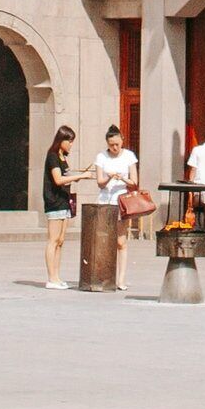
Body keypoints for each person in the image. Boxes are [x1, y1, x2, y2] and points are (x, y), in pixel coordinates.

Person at [82, 124, 139, 292]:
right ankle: (104, 275)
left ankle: (121, 278)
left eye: (117, 144)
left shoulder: (129, 156)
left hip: (121, 201)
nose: (114, 148)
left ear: (122, 141)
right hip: (105, 201)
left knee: (121, 241)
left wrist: (122, 178)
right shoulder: (101, 157)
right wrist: (108, 177)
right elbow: (99, 182)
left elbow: (134, 181)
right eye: (111, 145)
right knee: (103, 240)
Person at [40, 124, 76, 288]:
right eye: (69, 140)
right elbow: (58, 179)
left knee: (61, 240)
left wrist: (76, 176)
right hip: (54, 202)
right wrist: (80, 175)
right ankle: (51, 278)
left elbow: (66, 176)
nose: (71, 144)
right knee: (53, 240)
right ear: (61, 140)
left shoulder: (63, 157)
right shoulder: (53, 156)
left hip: (64, 201)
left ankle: (57, 275)